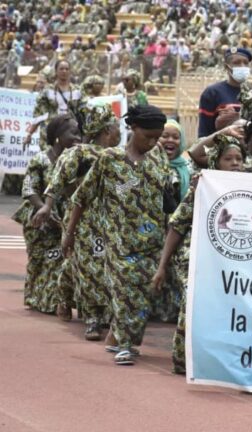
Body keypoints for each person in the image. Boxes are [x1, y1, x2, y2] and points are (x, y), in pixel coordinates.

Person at [63, 105, 170, 366]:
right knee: (125, 291)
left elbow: (167, 200)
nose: (154, 142)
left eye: (158, 137)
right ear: (133, 129)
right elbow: (82, 197)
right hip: (118, 243)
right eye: (149, 136)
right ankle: (126, 345)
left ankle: (117, 337)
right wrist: (70, 234)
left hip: (153, 242)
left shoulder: (158, 160)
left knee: (145, 294)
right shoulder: (109, 160)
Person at [152, 134, 245, 375]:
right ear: (216, 162)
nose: (235, 163)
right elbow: (177, 226)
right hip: (194, 254)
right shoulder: (202, 186)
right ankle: (183, 358)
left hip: (229, 257)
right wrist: (162, 266)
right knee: (193, 298)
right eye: (228, 159)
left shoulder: (251, 188)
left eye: (239, 158)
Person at [34, 105, 120, 330]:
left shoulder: (118, 156)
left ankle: (71, 297)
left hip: (113, 222)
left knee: (100, 266)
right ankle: (92, 317)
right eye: (117, 128)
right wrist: (47, 206)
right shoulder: (78, 153)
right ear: (107, 130)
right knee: (88, 267)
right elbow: (58, 181)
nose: (120, 132)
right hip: (83, 220)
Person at [13, 115, 80, 315]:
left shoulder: (74, 160)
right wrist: (44, 208)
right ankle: (36, 297)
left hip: (63, 220)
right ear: (58, 136)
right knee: (40, 259)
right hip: (38, 219)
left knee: (59, 259)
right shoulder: (40, 159)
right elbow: (29, 187)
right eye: (73, 134)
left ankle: (52, 301)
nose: (78, 138)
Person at [24, 60, 82, 150]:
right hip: (50, 132)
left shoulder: (78, 91)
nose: (64, 71)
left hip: (71, 132)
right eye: (61, 69)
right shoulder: (47, 91)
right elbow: (40, 115)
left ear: (70, 71)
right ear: (56, 71)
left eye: (67, 69)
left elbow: (84, 112)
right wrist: (29, 134)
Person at [198, 47, 252, 138]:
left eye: (245, 63)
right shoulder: (212, 93)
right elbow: (204, 133)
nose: (242, 66)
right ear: (226, 67)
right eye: (236, 63)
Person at [159, 119, 191, 203]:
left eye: (175, 137)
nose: (170, 140)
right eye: (165, 136)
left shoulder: (188, 167)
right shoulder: (149, 164)